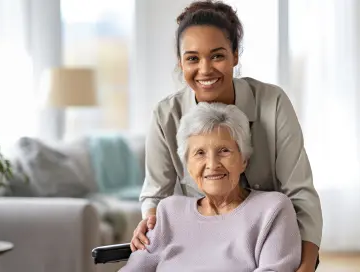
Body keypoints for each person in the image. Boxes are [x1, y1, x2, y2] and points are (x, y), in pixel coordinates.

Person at [132, 1, 323, 271]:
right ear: (181, 62)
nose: (205, 69)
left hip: (266, 243)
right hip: (199, 247)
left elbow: (300, 193)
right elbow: (155, 194)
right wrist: (152, 227)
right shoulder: (166, 115)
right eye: (192, 58)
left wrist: (305, 265)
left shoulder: (273, 103)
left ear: (235, 55)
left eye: (218, 55)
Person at [119, 102, 302, 271]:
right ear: (188, 167)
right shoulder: (169, 211)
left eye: (224, 151)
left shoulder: (272, 210)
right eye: (200, 153)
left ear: (243, 160)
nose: (212, 164)